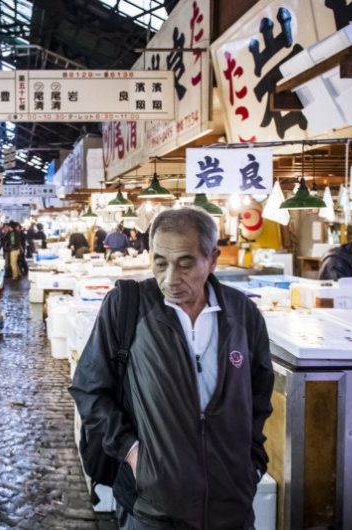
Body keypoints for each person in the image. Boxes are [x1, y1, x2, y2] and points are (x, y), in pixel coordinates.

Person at [70, 208, 274, 529]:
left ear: (213, 259)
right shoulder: (128, 307)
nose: (170, 279)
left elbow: (259, 396)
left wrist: (251, 463)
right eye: (160, 263)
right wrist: (133, 453)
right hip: (153, 508)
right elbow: (89, 388)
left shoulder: (243, 313)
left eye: (186, 264)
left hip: (231, 508)